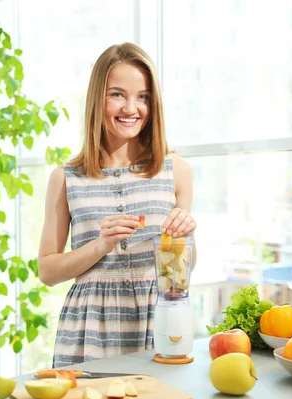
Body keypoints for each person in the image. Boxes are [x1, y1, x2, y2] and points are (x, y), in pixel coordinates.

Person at [37, 42, 197, 368]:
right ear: (98, 98)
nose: (131, 108)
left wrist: (185, 239)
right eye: (117, 94)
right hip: (88, 331)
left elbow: (180, 274)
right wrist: (100, 245)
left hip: (158, 325)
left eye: (143, 97)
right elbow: (47, 271)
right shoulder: (66, 178)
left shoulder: (175, 171)